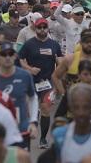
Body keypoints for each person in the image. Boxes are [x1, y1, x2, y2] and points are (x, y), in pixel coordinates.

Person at [18, 17, 62, 148]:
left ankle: (43, 138)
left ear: (48, 29)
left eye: (44, 27)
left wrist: (59, 75)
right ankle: (26, 135)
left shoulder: (54, 44)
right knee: (28, 110)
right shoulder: (29, 43)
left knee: (46, 109)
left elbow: (60, 62)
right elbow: (19, 59)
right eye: (39, 27)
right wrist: (30, 69)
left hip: (47, 83)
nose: (42, 30)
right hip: (31, 82)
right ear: (35, 29)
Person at [0, 42, 38, 149]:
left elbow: (33, 98)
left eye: (10, 54)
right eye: (4, 54)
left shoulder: (25, 75)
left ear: (15, 56)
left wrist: (33, 122)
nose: (7, 57)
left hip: (21, 129)